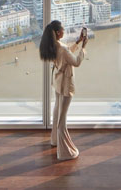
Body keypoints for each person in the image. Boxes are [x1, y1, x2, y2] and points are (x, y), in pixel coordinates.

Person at [39, 20, 87, 161]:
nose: (64, 32)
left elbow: (66, 56)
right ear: (58, 33)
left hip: (57, 81)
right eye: (63, 30)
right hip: (65, 84)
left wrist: (77, 42)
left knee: (57, 111)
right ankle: (64, 152)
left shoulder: (53, 46)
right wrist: (83, 48)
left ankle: (54, 140)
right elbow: (76, 62)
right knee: (62, 119)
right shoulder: (62, 48)